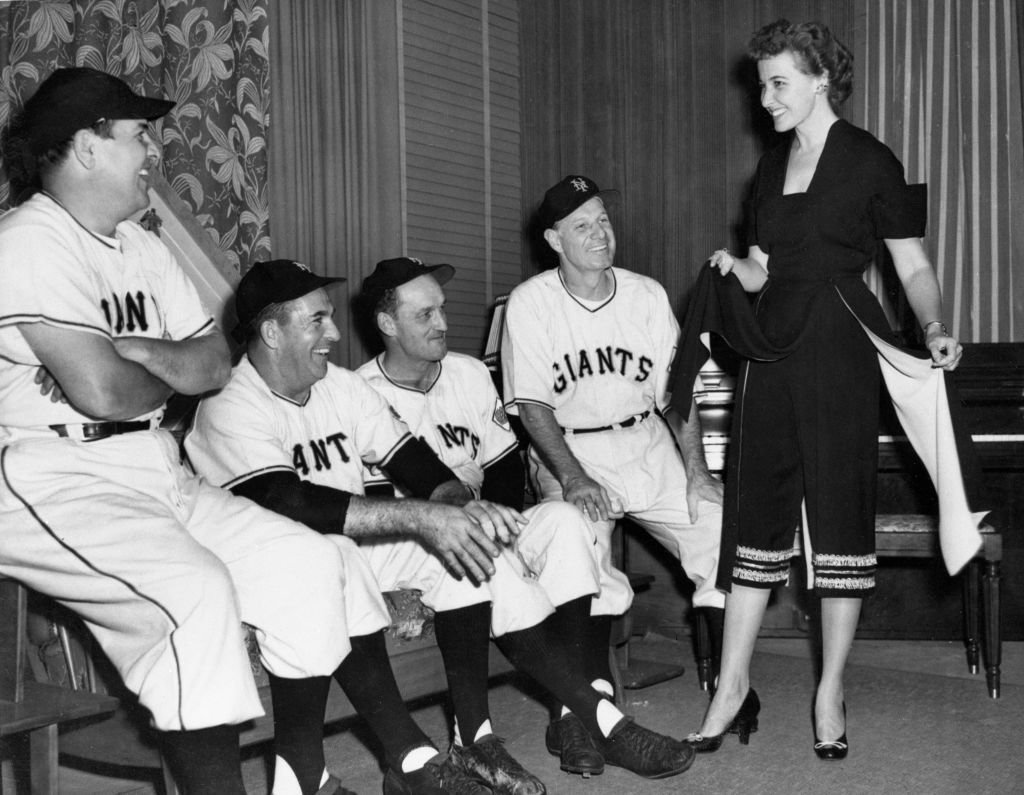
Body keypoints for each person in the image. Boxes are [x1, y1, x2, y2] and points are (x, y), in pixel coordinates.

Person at [186, 257, 698, 790]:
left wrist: (458, 505)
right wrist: (424, 516)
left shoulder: (341, 387)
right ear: (271, 331)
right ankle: (419, 757)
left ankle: (503, 736)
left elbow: (415, 464)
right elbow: (288, 502)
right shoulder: (229, 401)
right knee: (353, 550)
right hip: (276, 567)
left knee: (466, 547)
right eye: (317, 320)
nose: (334, 333)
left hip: (348, 543)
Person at [0, 68, 357, 795]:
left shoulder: (142, 246)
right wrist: (142, 369)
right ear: (87, 148)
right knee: (195, 594)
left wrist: (130, 356)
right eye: (137, 135)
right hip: (53, 479)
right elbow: (100, 391)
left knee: (308, 565)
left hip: (154, 467)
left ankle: (303, 782)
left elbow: (217, 363)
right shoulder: (29, 240)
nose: (151, 151)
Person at [675, 19, 979, 761]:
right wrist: (734, 269)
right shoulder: (770, 168)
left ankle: (829, 688)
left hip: (841, 348)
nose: (765, 98)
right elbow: (763, 266)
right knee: (753, 515)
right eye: (761, 83)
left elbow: (911, 267)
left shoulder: (871, 160)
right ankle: (731, 683)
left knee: (838, 518)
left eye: (779, 82)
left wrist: (934, 322)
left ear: (819, 79)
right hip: (771, 353)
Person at [357, 257, 702, 783]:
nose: (443, 323)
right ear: (388, 324)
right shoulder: (362, 393)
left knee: (566, 520)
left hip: (483, 520)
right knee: (477, 543)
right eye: (424, 314)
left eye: (442, 310)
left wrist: (503, 522)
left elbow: (501, 467)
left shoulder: (469, 374)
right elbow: (381, 501)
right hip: (410, 539)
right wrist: (476, 523)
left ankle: (567, 718)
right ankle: (600, 719)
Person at [499, 174, 728, 699]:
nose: (599, 233)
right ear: (554, 241)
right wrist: (573, 478)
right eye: (582, 225)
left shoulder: (646, 295)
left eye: (603, 220)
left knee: (716, 524)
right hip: (571, 449)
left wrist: (698, 472)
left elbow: (677, 395)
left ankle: (729, 684)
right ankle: (592, 692)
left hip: (644, 442)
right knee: (580, 540)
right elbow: (533, 408)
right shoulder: (531, 302)